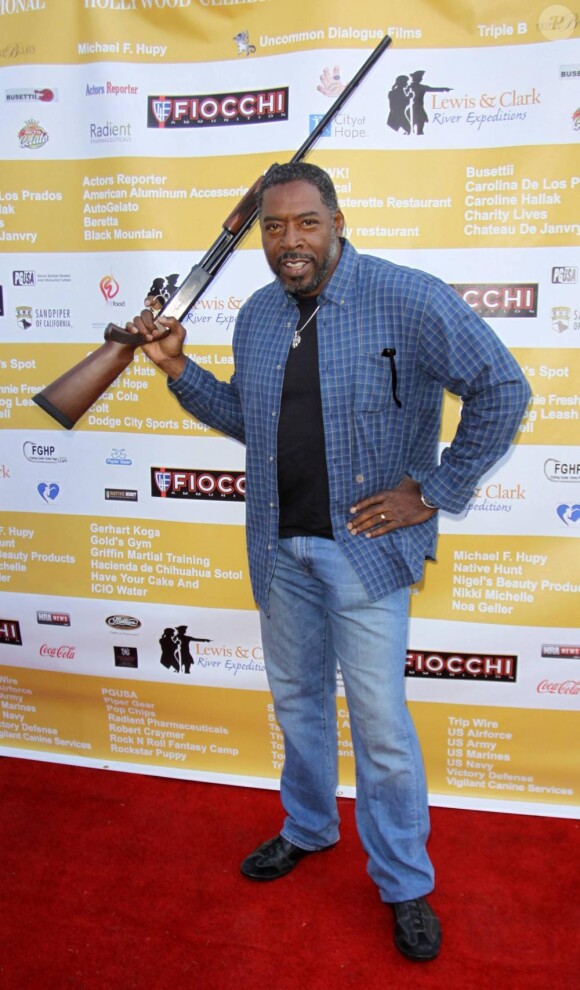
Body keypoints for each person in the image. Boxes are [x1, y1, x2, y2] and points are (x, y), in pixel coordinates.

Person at [125, 163, 531, 962]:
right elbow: (251, 419)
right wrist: (177, 367)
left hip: (366, 552)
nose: (289, 242)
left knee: (380, 728)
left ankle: (405, 883)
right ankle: (309, 828)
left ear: (337, 221)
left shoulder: (406, 296)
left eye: (305, 223)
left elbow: (503, 389)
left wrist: (436, 489)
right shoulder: (260, 315)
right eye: (273, 228)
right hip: (279, 545)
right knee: (299, 704)